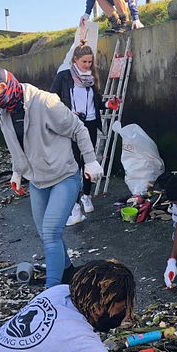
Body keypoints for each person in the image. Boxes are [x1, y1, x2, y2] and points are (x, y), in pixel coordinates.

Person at [0, 66, 103, 288]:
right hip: (37, 180)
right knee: (44, 233)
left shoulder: (44, 102)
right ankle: (67, 272)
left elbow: (78, 129)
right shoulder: (4, 110)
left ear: (3, 87)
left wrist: (90, 161)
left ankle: (50, 292)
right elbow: (16, 145)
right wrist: (17, 171)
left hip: (64, 176)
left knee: (51, 232)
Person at [0, 259, 135, 352]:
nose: (125, 315)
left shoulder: (57, 292)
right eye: (121, 309)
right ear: (97, 308)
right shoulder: (79, 339)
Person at [50, 41, 107, 226]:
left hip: (90, 123)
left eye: (90, 62)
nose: (88, 65)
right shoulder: (64, 77)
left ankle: (87, 196)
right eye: (84, 62)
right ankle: (74, 207)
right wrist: (68, 112)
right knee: (74, 164)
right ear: (75, 60)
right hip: (72, 125)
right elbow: (52, 99)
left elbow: (96, 101)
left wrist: (107, 105)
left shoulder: (91, 78)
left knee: (89, 163)